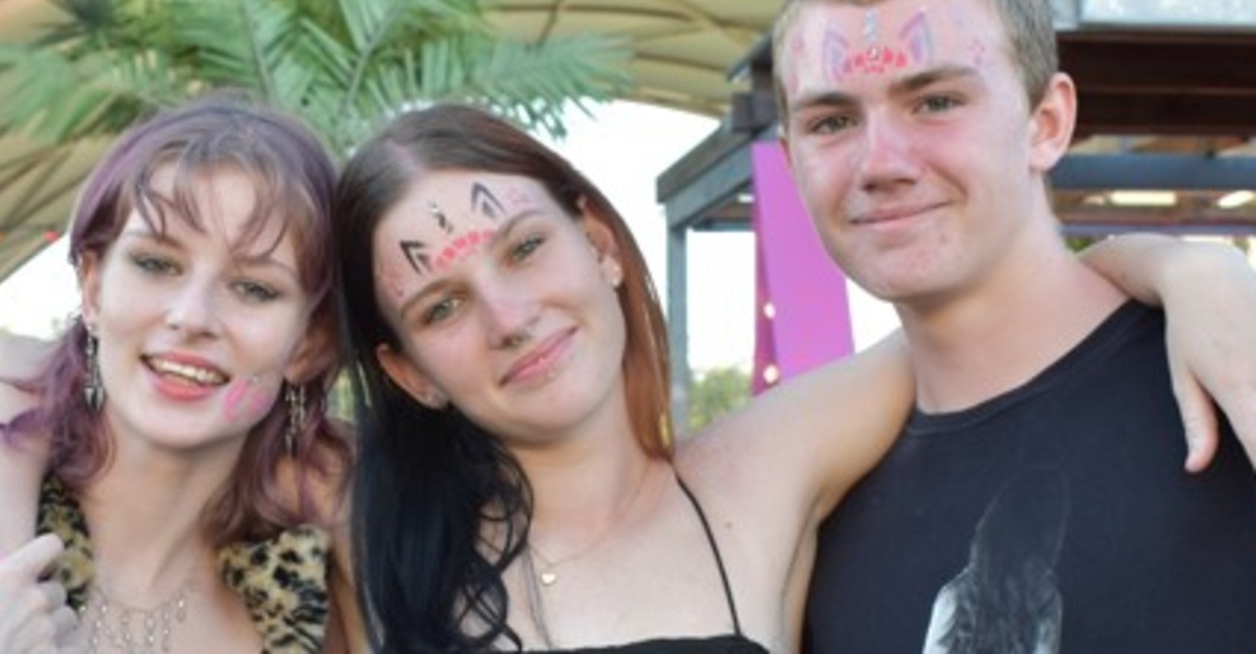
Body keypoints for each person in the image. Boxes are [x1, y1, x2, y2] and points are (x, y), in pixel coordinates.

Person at [335, 103, 1256, 652]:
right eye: (442, 308)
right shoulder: (359, 539)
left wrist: (1186, 268)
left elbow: (1008, 303)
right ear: (408, 372)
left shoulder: (759, 471)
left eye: (527, 248)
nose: (510, 316)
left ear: (602, 247)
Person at [768, 0, 1256, 651]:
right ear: (791, 159)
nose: (880, 163)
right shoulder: (804, 510)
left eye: (935, 101)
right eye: (832, 121)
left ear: (1047, 123)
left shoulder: (1231, 380)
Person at [0, 96, 360, 653]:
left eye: (255, 288)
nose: (191, 317)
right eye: (156, 263)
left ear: (309, 343)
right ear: (93, 287)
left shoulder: (309, 609)